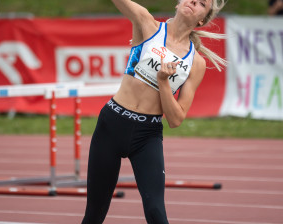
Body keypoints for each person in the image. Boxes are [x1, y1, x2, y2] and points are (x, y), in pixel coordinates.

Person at [81, 0, 227, 223]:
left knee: (156, 212)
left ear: (201, 19)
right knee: (94, 214)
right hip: (112, 124)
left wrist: (164, 83)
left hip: (146, 136)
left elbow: (176, 119)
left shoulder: (195, 63)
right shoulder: (147, 24)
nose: (194, 2)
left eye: (202, 3)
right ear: (179, 3)